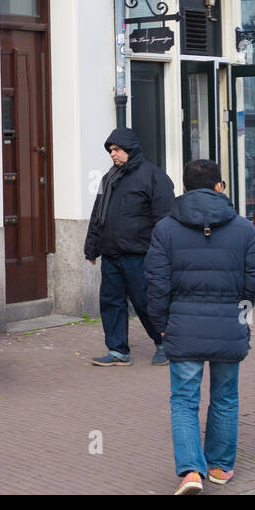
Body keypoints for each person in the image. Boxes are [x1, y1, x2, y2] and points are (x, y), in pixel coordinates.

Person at [145, 159, 255, 495]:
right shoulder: (243, 227)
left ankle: (190, 472)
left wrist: (162, 326)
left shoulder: (165, 229)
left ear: (184, 188)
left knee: (184, 400)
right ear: (219, 187)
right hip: (229, 323)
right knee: (225, 396)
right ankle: (220, 467)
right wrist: (240, 308)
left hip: (182, 325)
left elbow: (155, 283)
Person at [84, 127, 174, 366]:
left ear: (130, 149)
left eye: (117, 149)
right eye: (111, 150)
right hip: (111, 253)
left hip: (140, 255)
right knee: (111, 302)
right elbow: (97, 214)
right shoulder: (107, 178)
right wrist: (91, 248)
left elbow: (165, 218)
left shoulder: (154, 177)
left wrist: (162, 253)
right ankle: (117, 350)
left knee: (146, 302)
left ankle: (164, 342)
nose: (113, 154)